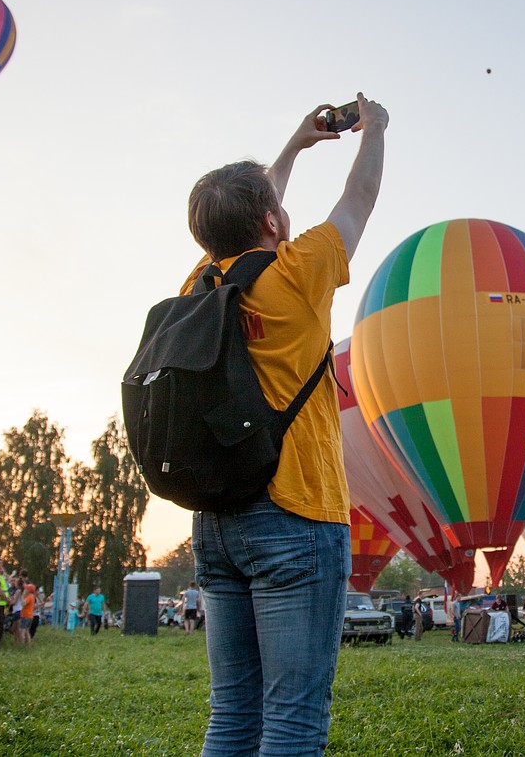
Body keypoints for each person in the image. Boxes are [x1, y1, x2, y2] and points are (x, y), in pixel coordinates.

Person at [187, 93, 387, 756]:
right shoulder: (298, 274)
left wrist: (295, 146)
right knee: (294, 722)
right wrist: (374, 130)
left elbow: (238, 216)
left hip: (216, 519)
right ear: (273, 220)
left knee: (232, 719)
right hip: (295, 514)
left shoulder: (199, 286)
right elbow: (357, 204)